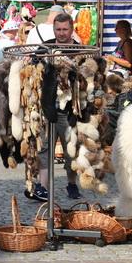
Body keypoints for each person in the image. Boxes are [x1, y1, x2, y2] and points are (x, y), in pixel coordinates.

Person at [25, 13, 82, 201]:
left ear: (71, 29)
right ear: (54, 29)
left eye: (65, 29)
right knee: (44, 149)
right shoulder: (45, 48)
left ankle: (72, 184)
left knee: (70, 150)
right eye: (58, 29)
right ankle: (43, 187)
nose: (62, 33)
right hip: (47, 106)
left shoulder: (79, 50)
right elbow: (32, 69)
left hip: (69, 110)